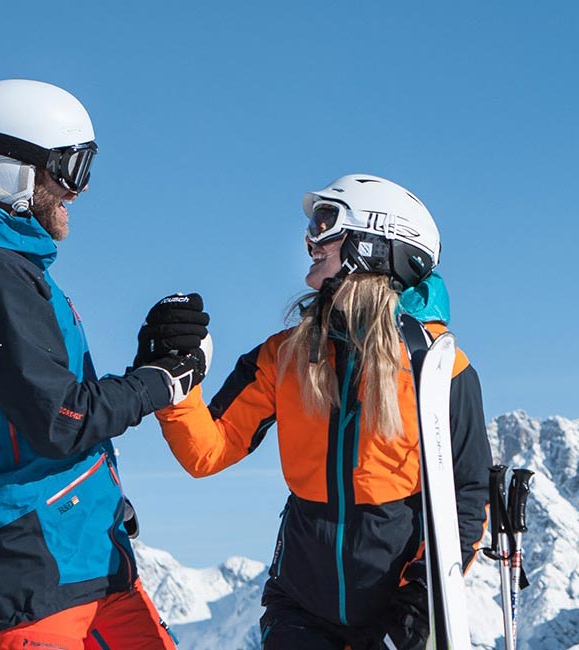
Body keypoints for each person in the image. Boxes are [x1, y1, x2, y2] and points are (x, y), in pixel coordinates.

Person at [0, 79, 211, 650]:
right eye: (69, 169)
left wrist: (145, 373)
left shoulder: (10, 269)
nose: (78, 190)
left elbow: (35, 411)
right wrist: (160, 383)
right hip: (27, 569)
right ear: (9, 170)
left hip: (79, 549)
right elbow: (60, 418)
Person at [151, 174, 491, 649]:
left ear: (376, 245)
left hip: (396, 612)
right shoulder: (283, 356)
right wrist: (175, 376)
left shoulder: (438, 366)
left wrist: (418, 609)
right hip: (300, 608)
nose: (311, 238)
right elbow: (206, 452)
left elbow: (468, 497)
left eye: (326, 222)